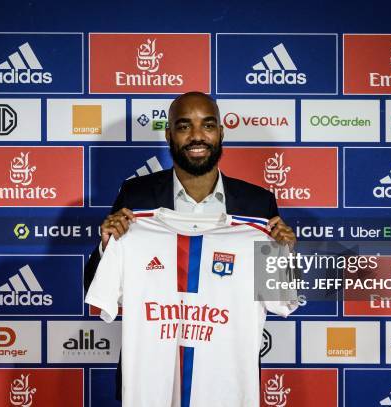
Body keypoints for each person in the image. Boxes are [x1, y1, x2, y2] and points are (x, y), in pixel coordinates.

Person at [84, 91, 296, 400]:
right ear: (169, 134)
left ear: (220, 132)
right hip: (153, 384)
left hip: (225, 384)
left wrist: (284, 256)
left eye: (207, 125)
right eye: (184, 126)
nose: (197, 136)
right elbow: (97, 288)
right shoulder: (136, 195)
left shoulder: (257, 204)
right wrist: (106, 247)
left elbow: (277, 294)